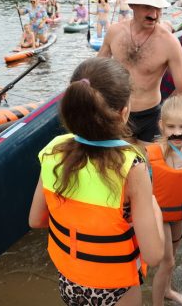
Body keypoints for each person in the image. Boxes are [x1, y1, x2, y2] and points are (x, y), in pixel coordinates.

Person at [29, 57, 165, 306]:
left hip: (69, 283)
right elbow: (154, 255)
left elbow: (35, 220)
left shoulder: (53, 150)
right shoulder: (132, 168)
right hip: (116, 290)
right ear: (124, 113)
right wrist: (155, 208)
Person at [98, 0, 182, 144]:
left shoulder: (170, 43)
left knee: (148, 166)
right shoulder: (114, 32)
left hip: (151, 117)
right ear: (132, 5)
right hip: (118, 113)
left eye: (159, 8)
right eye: (148, 7)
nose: (154, 15)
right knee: (119, 166)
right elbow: (96, 72)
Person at [147, 95, 182, 306]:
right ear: (161, 126)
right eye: (171, 126)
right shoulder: (154, 152)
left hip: (180, 209)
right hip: (160, 213)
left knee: (174, 254)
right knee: (168, 262)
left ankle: (167, 290)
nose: (177, 132)